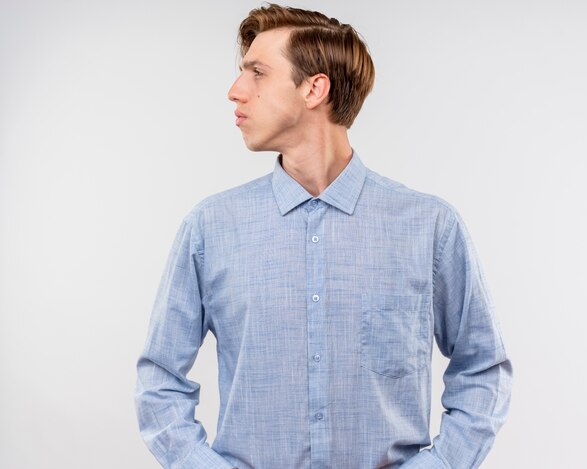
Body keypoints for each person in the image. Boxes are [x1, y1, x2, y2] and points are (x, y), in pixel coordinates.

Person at [134, 4, 512, 469]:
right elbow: (159, 381)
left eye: (257, 73)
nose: (235, 92)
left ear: (315, 88)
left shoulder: (429, 227)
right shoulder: (210, 229)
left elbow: (483, 370)